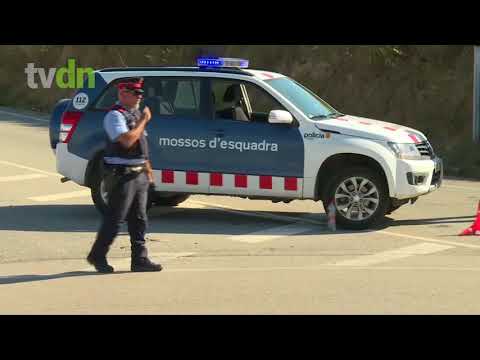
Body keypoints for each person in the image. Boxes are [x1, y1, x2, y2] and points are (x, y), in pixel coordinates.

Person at [87, 77, 162, 273]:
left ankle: (140, 259)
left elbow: (140, 147)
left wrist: (148, 172)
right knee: (115, 219)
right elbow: (127, 141)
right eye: (135, 93)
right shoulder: (115, 116)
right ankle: (97, 255)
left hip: (139, 174)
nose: (140, 97)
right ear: (123, 94)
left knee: (139, 219)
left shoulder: (134, 114)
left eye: (140, 93)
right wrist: (144, 121)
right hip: (122, 175)